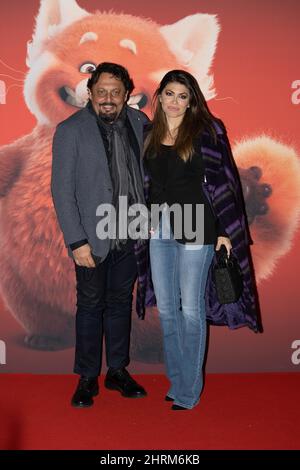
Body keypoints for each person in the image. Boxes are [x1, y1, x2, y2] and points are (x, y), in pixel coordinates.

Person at [143, 70, 260, 410]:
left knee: (191, 310)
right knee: (166, 310)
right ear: (160, 96)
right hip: (161, 228)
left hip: (198, 227)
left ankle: (188, 392)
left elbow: (226, 182)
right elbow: (148, 183)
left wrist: (224, 230)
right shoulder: (149, 133)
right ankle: (177, 381)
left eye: (183, 95)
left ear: (192, 100)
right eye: (169, 93)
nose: (175, 101)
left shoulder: (208, 132)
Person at [51, 62, 149, 408]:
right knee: (91, 306)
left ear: (126, 95)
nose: (108, 98)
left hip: (133, 234)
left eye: (115, 91)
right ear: (90, 93)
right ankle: (88, 376)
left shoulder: (141, 124)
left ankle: (117, 371)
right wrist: (76, 241)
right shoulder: (70, 130)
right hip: (92, 238)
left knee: (120, 304)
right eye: (102, 91)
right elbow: (61, 191)